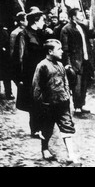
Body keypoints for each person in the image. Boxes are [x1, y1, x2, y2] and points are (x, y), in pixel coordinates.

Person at [32, 39, 78, 163]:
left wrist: (68, 95)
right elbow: (36, 88)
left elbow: (65, 82)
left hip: (62, 103)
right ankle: (45, 149)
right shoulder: (42, 65)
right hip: (49, 105)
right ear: (50, 51)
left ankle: (71, 155)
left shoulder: (60, 65)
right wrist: (42, 104)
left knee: (67, 127)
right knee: (47, 128)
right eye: (59, 49)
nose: (62, 51)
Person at [16, 8, 47, 138]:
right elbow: (20, 56)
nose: (44, 22)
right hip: (29, 74)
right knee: (33, 101)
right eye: (42, 20)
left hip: (41, 72)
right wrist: (20, 77)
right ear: (35, 20)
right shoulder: (24, 34)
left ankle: (41, 127)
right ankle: (35, 129)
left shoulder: (40, 34)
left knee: (41, 100)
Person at [60, 8, 95, 114]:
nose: (82, 15)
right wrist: (68, 64)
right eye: (80, 14)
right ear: (74, 17)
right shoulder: (66, 29)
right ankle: (77, 106)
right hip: (75, 61)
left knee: (84, 83)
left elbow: (93, 33)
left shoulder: (82, 26)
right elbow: (65, 49)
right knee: (77, 85)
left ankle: (82, 104)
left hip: (85, 59)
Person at [0, 24, 13, 100]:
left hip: (4, 58)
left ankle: (8, 93)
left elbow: (7, 43)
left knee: (6, 75)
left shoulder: (4, 32)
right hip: (3, 56)